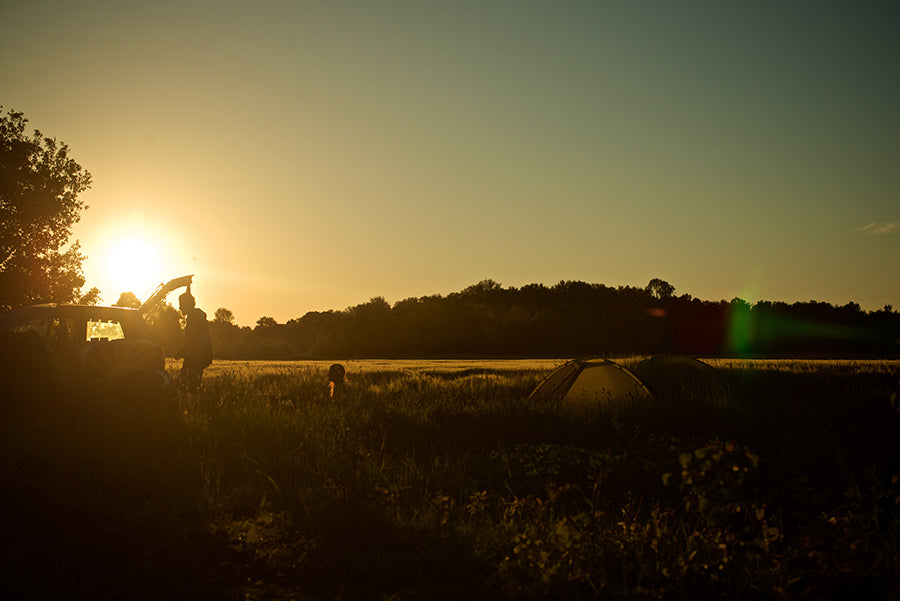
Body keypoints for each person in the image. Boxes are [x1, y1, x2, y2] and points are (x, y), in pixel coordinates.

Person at [177, 286, 212, 393]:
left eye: (181, 304)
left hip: (196, 355)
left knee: (189, 384)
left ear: (186, 304)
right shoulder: (196, 315)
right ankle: (194, 404)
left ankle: (193, 405)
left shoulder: (193, 318)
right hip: (199, 355)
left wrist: (181, 351)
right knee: (190, 383)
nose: (179, 307)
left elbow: (192, 340)